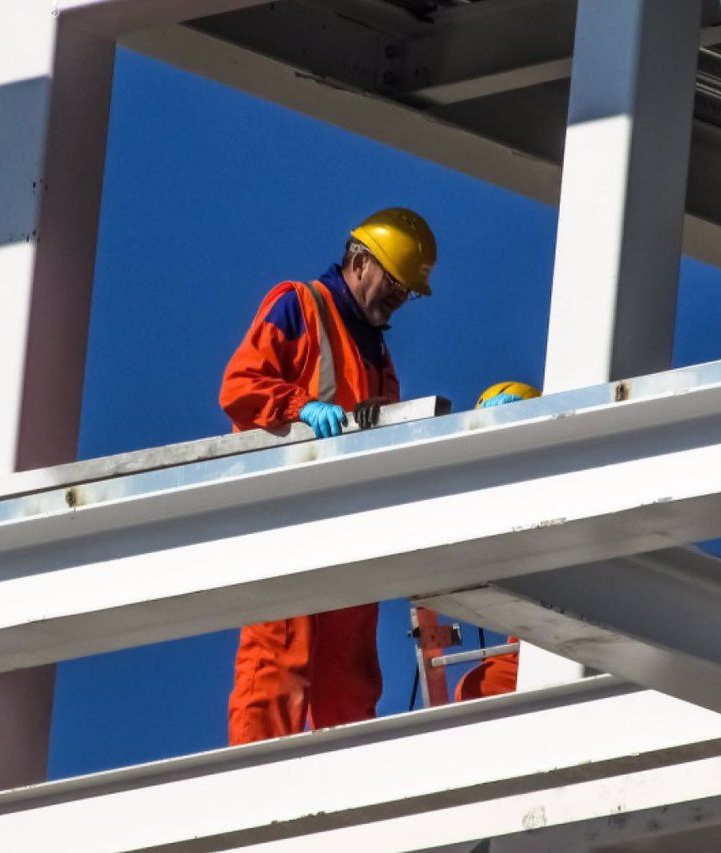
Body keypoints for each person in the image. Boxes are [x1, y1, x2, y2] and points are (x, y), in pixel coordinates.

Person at [220, 208, 437, 744]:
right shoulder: (299, 304)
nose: (399, 299)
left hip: (346, 529)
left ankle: (345, 793)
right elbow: (241, 386)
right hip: (285, 518)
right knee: (277, 660)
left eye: (407, 291)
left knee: (351, 679)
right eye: (395, 283)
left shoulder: (379, 355)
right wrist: (299, 408)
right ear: (361, 262)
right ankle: (255, 788)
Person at [453, 381, 542, 702]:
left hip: (604, 639)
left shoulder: (559, 487)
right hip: (532, 643)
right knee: (479, 690)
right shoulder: (493, 504)